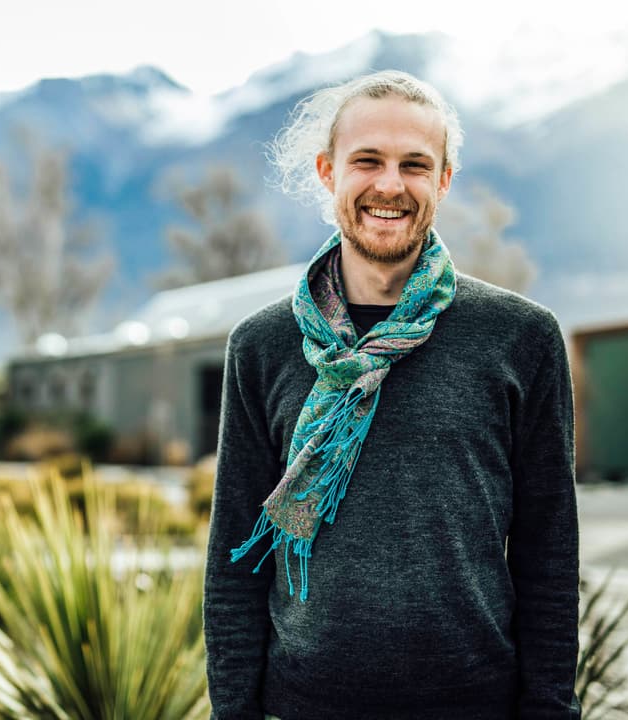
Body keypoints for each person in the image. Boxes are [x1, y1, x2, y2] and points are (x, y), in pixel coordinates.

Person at [203, 70, 580, 720]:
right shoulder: (262, 347)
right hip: (302, 707)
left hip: (474, 705)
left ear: (443, 180)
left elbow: (549, 553)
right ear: (328, 172)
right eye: (367, 161)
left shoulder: (521, 338)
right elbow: (236, 562)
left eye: (414, 164)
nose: (389, 185)